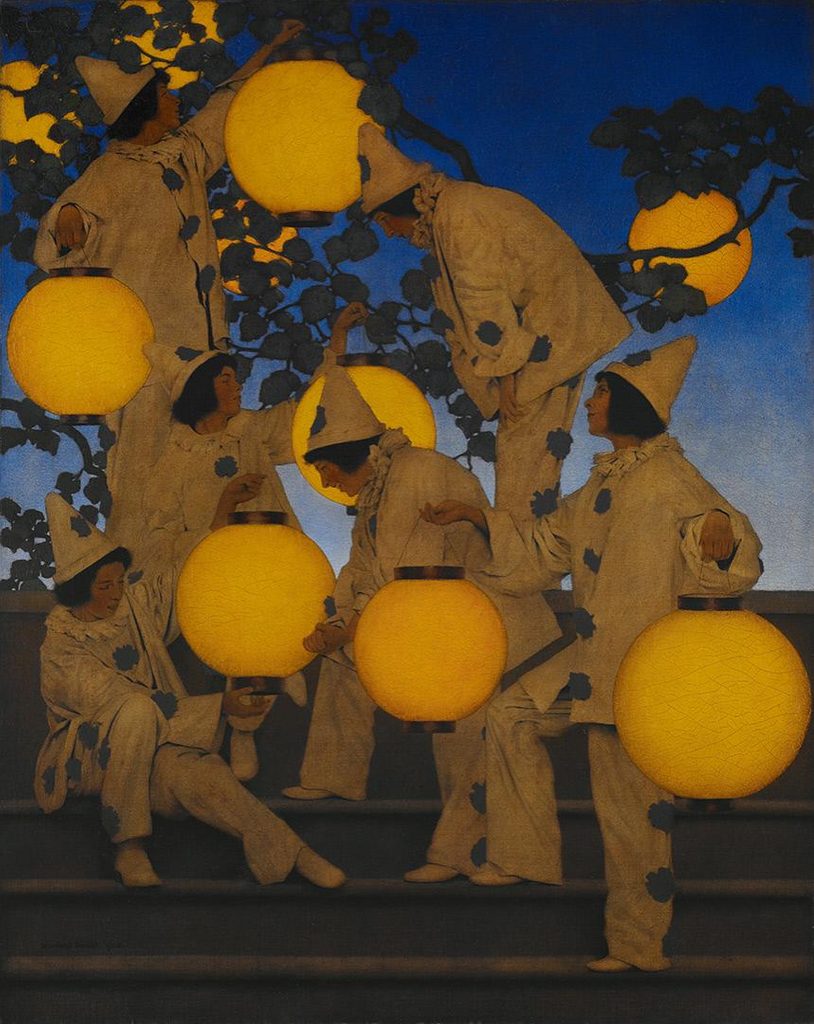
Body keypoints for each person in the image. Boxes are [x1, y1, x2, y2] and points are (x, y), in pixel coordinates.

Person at [421, 335, 763, 970]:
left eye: (601, 393)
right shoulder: (605, 479)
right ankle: (522, 856)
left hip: (643, 675)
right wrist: (475, 517)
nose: (591, 403)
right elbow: (544, 549)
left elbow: (728, 540)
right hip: (590, 660)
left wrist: (717, 535)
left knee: (632, 814)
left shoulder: (670, 477)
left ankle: (638, 947)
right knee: (510, 716)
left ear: (629, 404)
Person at [283, 367, 563, 882]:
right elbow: (361, 570)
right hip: (429, 616)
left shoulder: (416, 473)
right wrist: (339, 623)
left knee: (465, 735)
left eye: (326, 469)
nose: (325, 483)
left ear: (352, 454)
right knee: (344, 665)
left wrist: (355, 628)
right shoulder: (375, 490)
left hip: (480, 619)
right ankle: (334, 774)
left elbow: (402, 569)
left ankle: (460, 854)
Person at [33, 20, 304, 549]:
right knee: (144, 483)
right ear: (144, 107)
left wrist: (268, 48)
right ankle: (140, 592)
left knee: (219, 476)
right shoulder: (108, 176)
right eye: (165, 93)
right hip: (148, 367)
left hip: (204, 358)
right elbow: (60, 232)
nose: (175, 99)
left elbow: (224, 109)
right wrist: (68, 219)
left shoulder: (184, 154)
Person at [35, 492, 345, 890]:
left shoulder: (131, 604)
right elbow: (120, 704)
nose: (116, 593)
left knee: (201, 776)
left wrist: (216, 525)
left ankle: (294, 854)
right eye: (105, 585)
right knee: (135, 711)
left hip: (154, 749)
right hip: (92, 759)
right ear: (78, 590)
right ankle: (129, 846)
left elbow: (179, 577)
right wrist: (221, 707)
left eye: (119, 582)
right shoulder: (61, 647)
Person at [358, 123, 632, 517]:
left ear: (409, 202)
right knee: (528, 458)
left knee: (524, 459)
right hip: (546, 332)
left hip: (545, 336)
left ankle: (519, 563)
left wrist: (508, 378)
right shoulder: (454, 211)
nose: (388, 233)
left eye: (386, 220)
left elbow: (485, 304)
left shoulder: (459, 216)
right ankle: (522, 554)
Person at [140, 302, 366, 572]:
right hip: (220, 580)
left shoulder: (251, 429)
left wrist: (339, 335)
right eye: (226, 380)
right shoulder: (172, 463)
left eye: (235, 378)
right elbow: (160, 551)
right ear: (199, 391)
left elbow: (311, 406)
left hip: (276, 565)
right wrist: (224, 510)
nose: (238, 386)